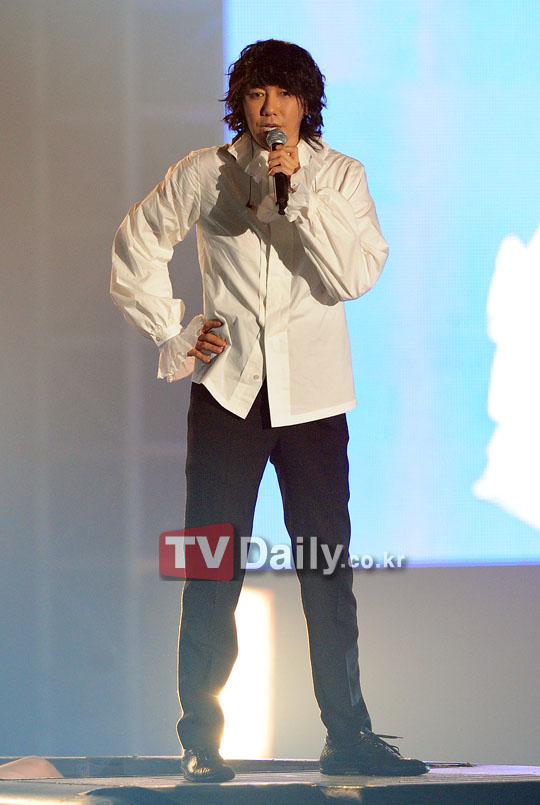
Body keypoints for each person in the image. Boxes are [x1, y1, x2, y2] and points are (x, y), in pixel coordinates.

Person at [111, 39, 428, 783]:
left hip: (313, 399)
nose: (269, 109)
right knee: (209, 567)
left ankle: (347, 734)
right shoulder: (205, 173)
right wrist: (174, 331)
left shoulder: (340, 177)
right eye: (256, 94)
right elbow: (136, 243)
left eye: (283, 94)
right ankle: (201, 740)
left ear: (305, 105)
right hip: (229, 394)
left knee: (326, 569)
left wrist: (301, 193)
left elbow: (352, 276)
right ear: (241, 104)